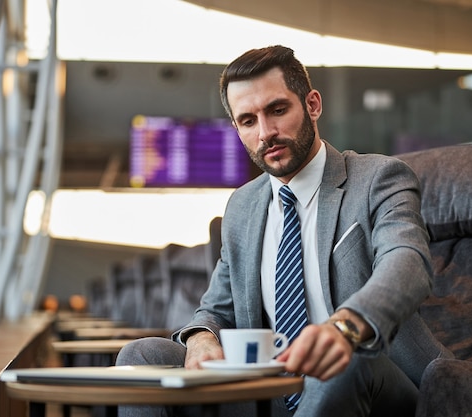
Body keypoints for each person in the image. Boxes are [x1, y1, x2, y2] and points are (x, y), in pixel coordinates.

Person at [116, 45, 450, 417]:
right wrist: (201, 338)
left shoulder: (378, 178)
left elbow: (407, 264)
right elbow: (215, 308)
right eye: (248, 121)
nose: (266, 133)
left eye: (277, 110)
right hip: (272, 389)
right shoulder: (242, 207)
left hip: (377, 379)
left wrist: (344, 329)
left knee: (348, 362)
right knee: (141, 357)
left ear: (312, 105)